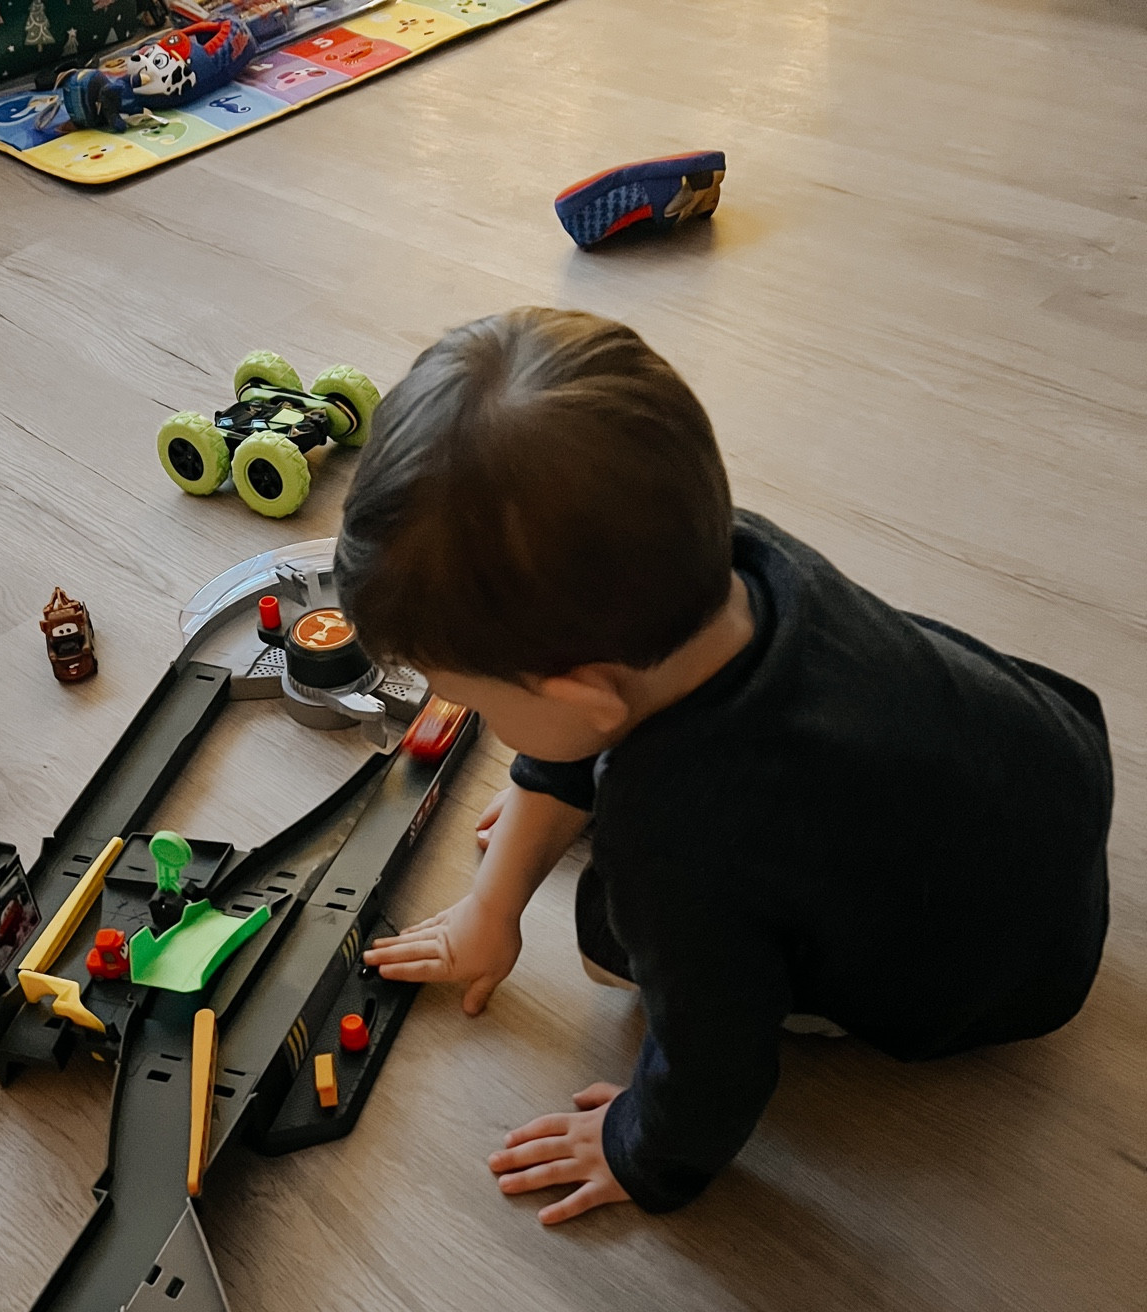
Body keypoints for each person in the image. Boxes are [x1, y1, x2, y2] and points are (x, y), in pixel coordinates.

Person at [335, 308, 1112, 1223]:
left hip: (995, 982)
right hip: (1041, 774)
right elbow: (589, 717)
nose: (470, 714)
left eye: (472, 697)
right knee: (613, 800)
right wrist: (491, 906)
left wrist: (639, 1147)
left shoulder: (680, 844)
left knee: (613, 949)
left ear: (585, 701)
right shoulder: (735, 556)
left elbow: (715, 1057)